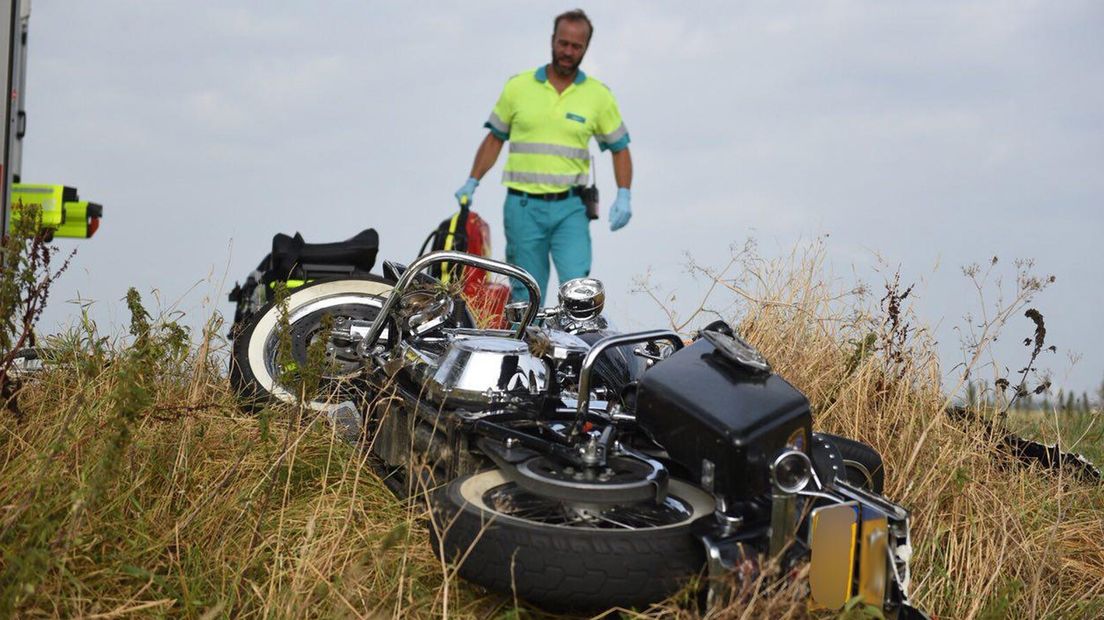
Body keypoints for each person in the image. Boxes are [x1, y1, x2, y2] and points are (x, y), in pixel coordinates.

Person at [454, 9, 633, 303]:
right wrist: (472, 181)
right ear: (552, 40)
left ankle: (577, 348)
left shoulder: (598, 96)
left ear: (586, 48)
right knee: (525, 294)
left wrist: (624, 193)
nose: (568, 51)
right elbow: (494, 138)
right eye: (563, 43)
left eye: (576, 46)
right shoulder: (518, 87)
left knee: (579, 292)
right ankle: (527, 348)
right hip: (523, 208)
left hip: (571, 209)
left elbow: (620, 148)